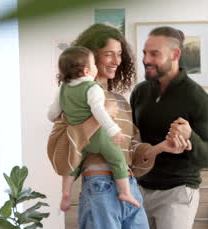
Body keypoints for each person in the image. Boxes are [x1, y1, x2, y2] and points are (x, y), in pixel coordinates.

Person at [47, 24, 191, 229]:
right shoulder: (73, 100)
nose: (116, 60)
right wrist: (97, 117)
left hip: (130, 186)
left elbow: (132, 150)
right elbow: (60, 158)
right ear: (90, 57)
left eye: (120, 54)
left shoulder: (121, 102)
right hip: (100, 189)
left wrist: (161, 148)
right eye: (108, 54)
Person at [130, 26, 208, 229]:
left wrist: (191, 137)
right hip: (140, 189)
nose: (146, 60)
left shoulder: (198, 100)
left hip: (177, 193)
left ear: (176, 55)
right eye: (145, 53)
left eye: (154, 54)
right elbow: (133, 141)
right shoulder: (139, 93)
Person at [49, 45, 140, 209]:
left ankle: (65, 194)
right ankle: (125, 192)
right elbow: (100, 112)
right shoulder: (92, 88)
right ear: (86, 71)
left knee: (73, 165)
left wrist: (59, 117)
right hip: (98, 137)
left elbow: (52, 113)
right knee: (117, 159)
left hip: (80, 139)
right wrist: (114, 130)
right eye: (93, 64)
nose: (96, 68)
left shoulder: (63, 89)